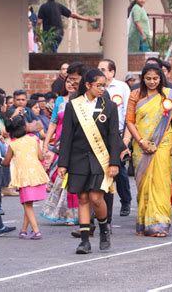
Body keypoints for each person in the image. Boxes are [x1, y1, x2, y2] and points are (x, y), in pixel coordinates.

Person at [58, 69, 122, 254]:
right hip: (78, 159)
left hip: (100, 160)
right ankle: (85, 241)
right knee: (83, 198)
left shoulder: (109, 106)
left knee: (96, 198)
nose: (103, 88)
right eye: (99, 85)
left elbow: (113, 137)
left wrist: (114, 162)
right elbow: (67, 136)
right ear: (88, 85)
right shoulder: (73, 105)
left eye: (104, 85)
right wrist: (63, 163)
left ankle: (103, 229)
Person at [126, 64, 172, 237]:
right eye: (148, 78)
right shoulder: (135, 95)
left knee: (161, 182)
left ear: (161, 78)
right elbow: (129, 121)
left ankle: (159, 224)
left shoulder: (169, 96)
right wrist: (141, 141)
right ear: (143, 78)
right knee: (143, 183)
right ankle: (144, 223)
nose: (152, 82)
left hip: (163, 142)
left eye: (155, 79)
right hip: (141, 144)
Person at [41, 67, 79, 225]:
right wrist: (45, 144)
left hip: (77, 143)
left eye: (73, 81)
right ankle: (64, 213)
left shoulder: (81, 100)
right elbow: (53, 122)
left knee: (73, 179)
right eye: (68, 81)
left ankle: (75, 214)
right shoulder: (59, 101)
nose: (70, 84)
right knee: (60, 179)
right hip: (60, 145)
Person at [3, 116, 48, 240]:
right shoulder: (34, 139)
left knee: (27, 205)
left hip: (23, 176)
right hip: (37, 174)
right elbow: (41, 157)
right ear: (24, 127)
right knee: (28, 205)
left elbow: (6, 162)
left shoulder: (12, 144)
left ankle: (36, 231)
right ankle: (23, 230)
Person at [98, 59, 132, 217]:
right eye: (99, 69)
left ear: (112, 72)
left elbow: (128, 112)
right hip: (99, 135)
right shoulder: (95, 87)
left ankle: (125, 201)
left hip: (118, 133)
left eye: (104, 69)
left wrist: (126, 138)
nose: (101, 72)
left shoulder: (122, 87)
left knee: (120, 170)